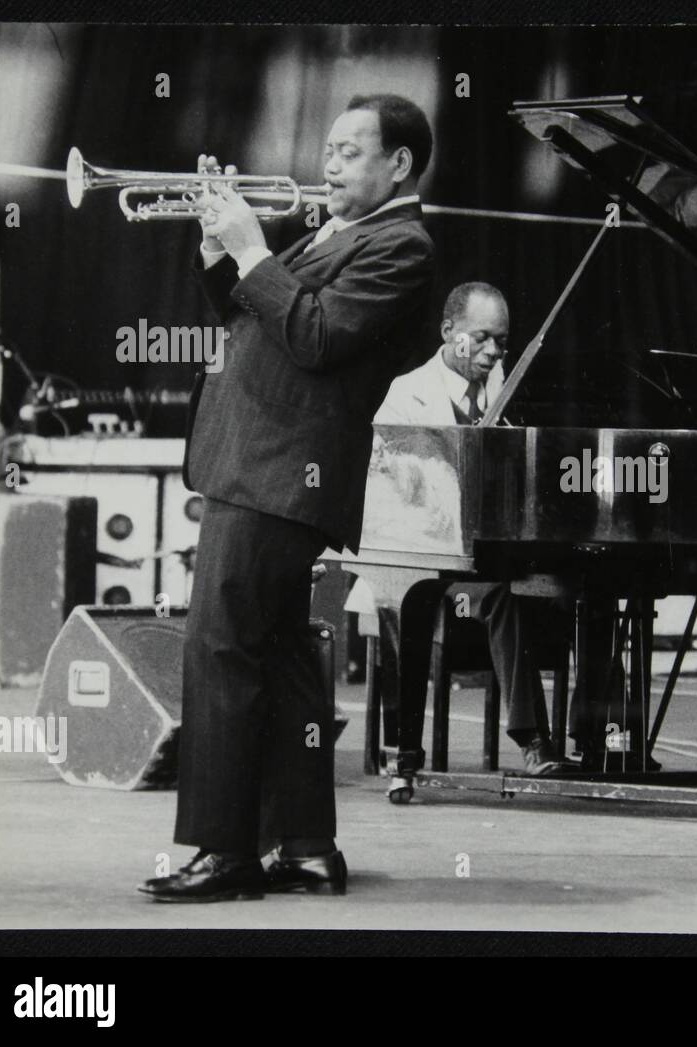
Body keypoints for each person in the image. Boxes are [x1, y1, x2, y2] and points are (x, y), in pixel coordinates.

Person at [139, 94, 435, 902]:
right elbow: (251, 321)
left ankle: (224, 849)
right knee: (280, 653)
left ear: (399, 164)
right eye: (329, 150)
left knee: (222, 647)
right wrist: (219, 249)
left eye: (347, 151)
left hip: (280, 469)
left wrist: (254, 249)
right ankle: (306, 846)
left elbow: (314, 337)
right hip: (261, 463)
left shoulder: (401, 245)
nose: (327, 164)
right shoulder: (342, 232)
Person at [372, 281, 570, 775]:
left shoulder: (518, 391)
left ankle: (605, 740)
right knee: (502, 593)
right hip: (433, 564)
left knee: (590, 586)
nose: (492, 351)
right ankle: (533, 741)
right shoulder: (404, 394)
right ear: (448, 331)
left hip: (503, 554)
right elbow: (391, 486)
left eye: (501, 341)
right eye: (480, 338)